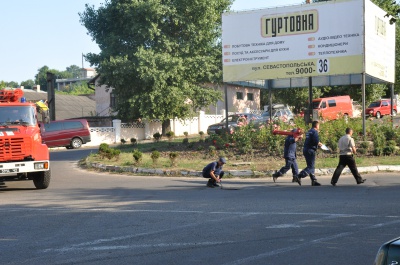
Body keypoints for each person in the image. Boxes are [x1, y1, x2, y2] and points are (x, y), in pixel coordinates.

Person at [298, 121, 322, 186]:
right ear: (316, 126)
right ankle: (300, 175)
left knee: (310, 165)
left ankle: (313, 180)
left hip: (306, 149)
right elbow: (316, 141)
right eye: (319, 125)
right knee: (311, 166)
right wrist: (321, 145)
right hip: (310, 150)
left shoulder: (309, 131)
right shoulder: (315, 132)